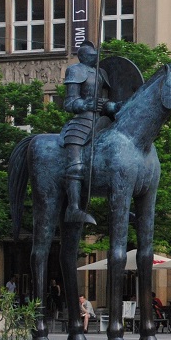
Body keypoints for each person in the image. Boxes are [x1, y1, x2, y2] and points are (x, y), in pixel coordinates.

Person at [60, 41, 119, 224]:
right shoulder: (75, 70)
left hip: (103, 121)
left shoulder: (102, 73)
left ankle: (116, 207)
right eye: (92, 54)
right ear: (84, 55)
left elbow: (106, 100)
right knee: (76, 165)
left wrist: (111, 106)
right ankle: (74, 208)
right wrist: (85, 104)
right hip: (83, 120)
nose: (96, 57)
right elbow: (69, 103)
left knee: (118, 162)